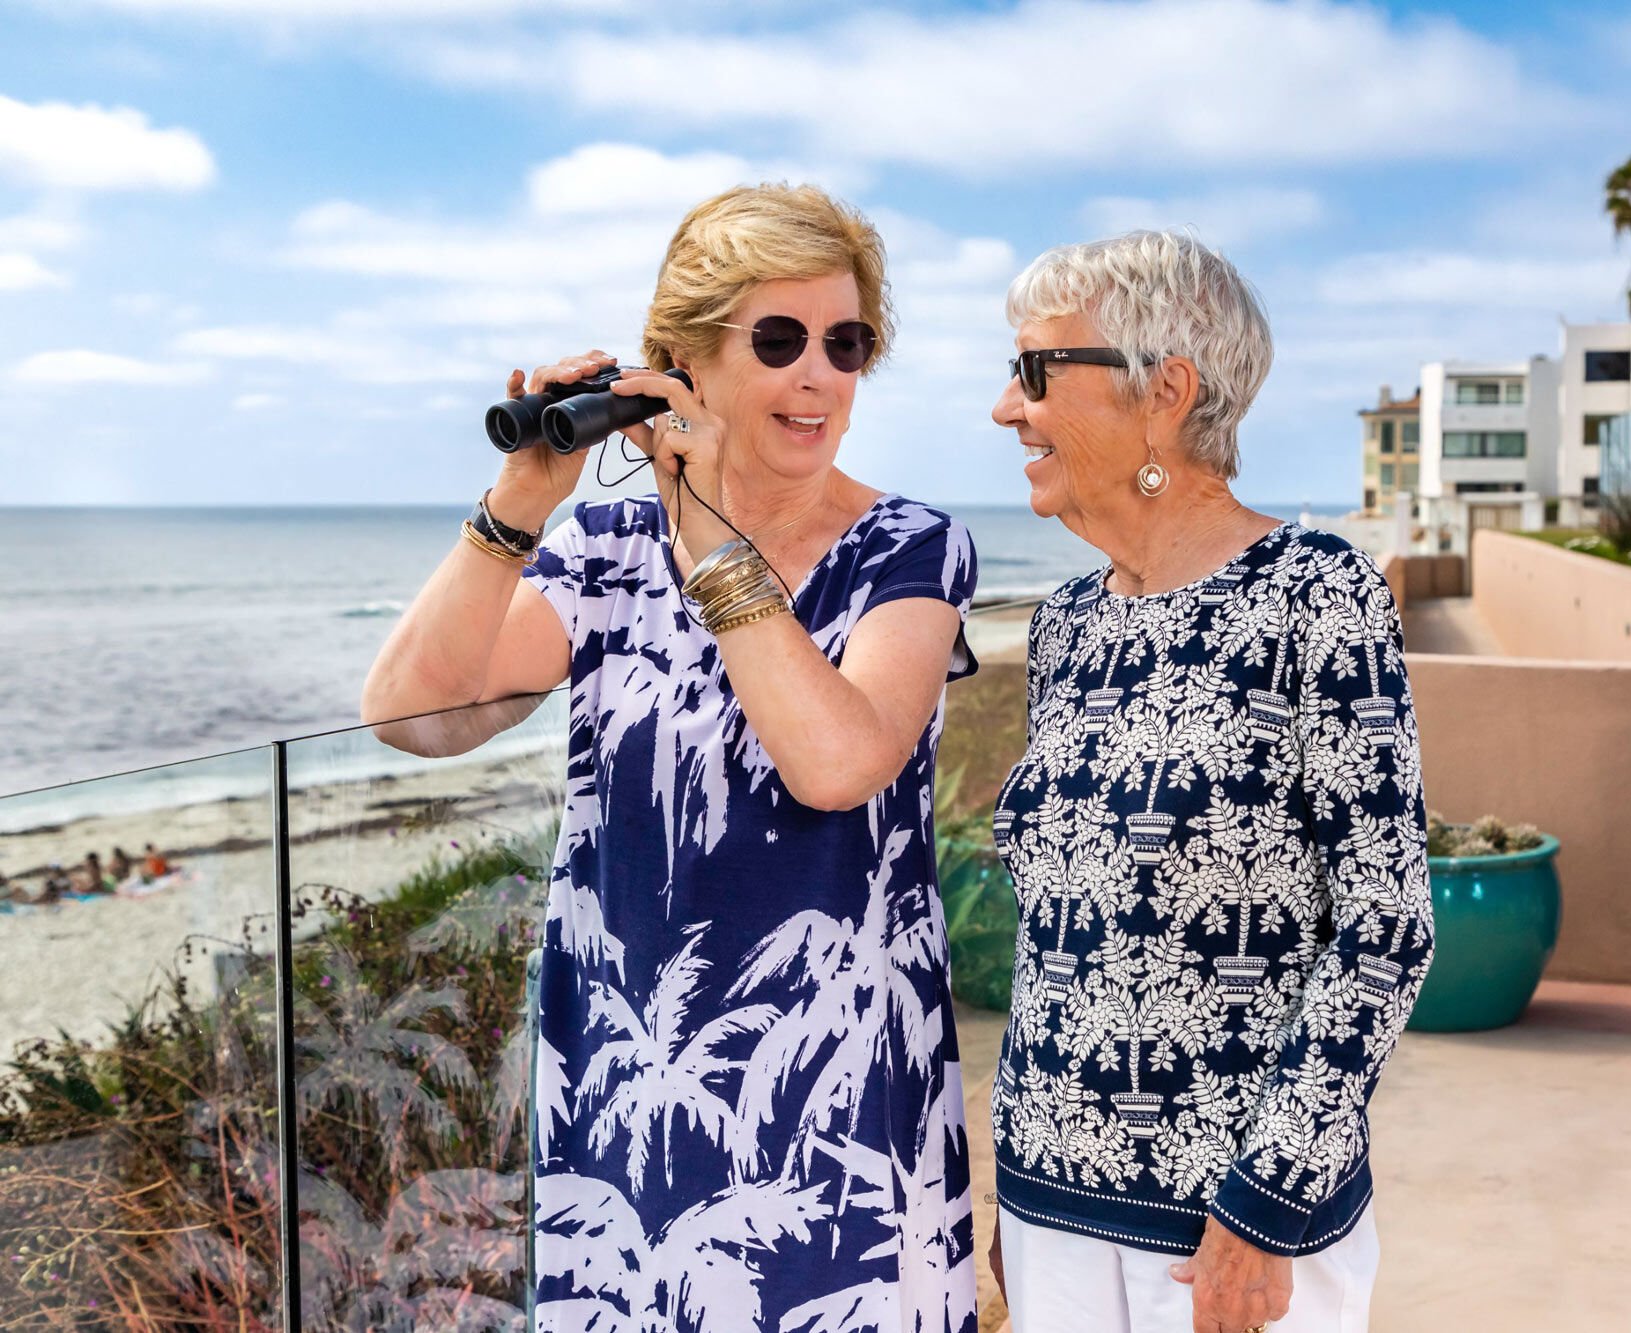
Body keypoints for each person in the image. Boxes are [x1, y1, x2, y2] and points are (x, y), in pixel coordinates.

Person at [362, 184, 980, 1331]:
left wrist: (705, 533)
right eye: (781, 340)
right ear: (684, 360)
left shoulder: (907, 547)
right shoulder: (603, 549)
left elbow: (835, 764)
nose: (819, 377)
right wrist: (518, 503)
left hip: (834, 1101)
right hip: (628, 1085)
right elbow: (415, 714)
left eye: (845, 344)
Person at [984, 232, 1433, 1333]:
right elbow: (1058, 936)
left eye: (1038, 372)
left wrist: (1268, 1201)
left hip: (1230, 1237)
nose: (1007, 408)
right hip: (1050, 1212)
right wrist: (1014, 1176)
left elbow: (1383, 928)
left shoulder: (1312, 597)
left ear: (1162, 394)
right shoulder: (1067, 627)